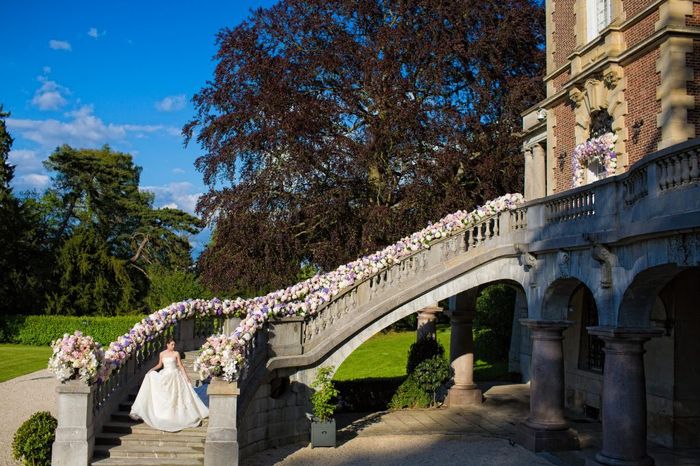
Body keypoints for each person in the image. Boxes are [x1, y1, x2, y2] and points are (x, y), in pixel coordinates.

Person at [129, 336, 209, 431]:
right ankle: (164, 414)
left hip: (175, 376)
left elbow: (181, 366)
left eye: (174, 344)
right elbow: (159, 365)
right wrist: (151, 370)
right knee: (161, 389)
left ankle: (177, 414)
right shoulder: (162, 354)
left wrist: (186, 377)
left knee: (176, 396)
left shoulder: (176, 353)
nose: (173, 346)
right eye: (172, 344)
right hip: (165, 375)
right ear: (167, 344)